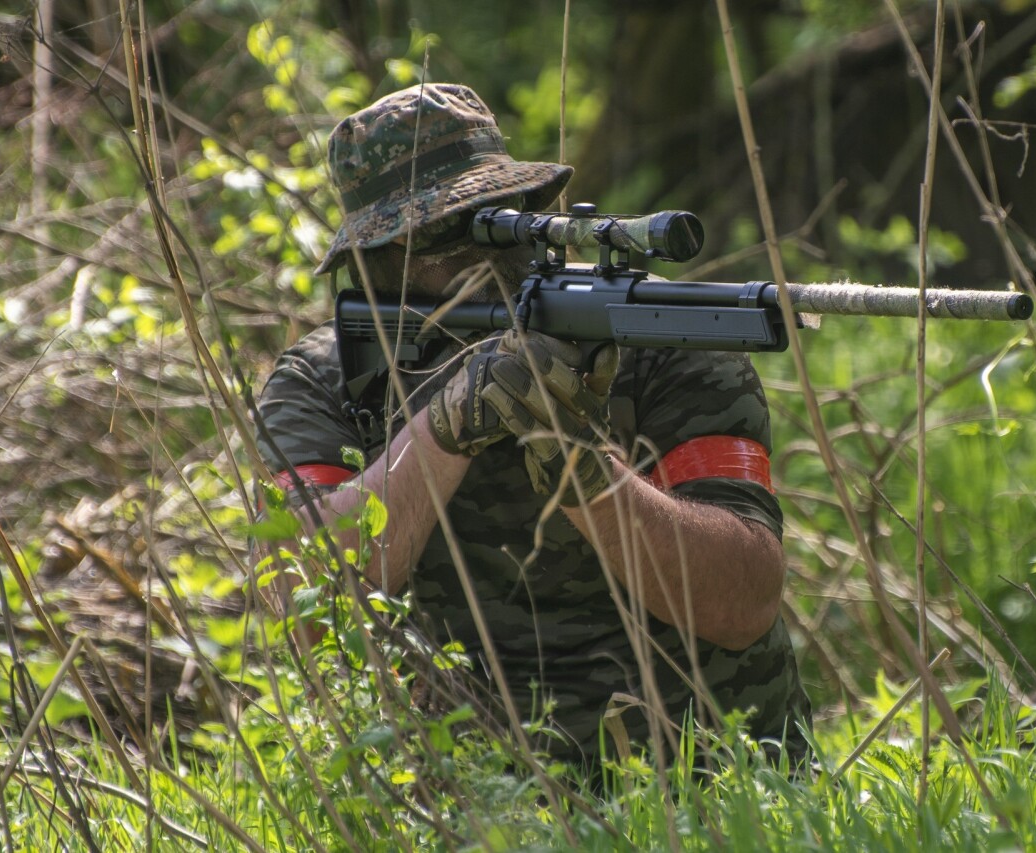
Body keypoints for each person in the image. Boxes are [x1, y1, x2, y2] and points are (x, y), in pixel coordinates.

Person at [253, 82, 811, 768]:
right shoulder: (325, 377)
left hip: (709, 771)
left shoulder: (663, 335)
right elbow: (302, 609)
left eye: (492, 215)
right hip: (470, 786)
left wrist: (585, 471)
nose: (475, 255)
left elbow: (745, 600)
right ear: (374, 259)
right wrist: (443, 430)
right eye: (441, 232)